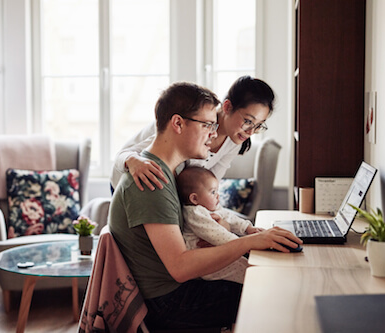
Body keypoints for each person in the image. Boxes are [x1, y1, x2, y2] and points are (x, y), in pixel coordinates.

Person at [108, 81, 302, 330]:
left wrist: (237, 230)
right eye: (208, 125)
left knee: (266, 281)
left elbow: (210, 197)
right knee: (270, 294)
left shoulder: (174, 175)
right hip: (168, 301)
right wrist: (247, 242)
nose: (213, 134)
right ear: (178, 124)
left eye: (214, 125)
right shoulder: (151, 177)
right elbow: (180, 266)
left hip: (172, 288)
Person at [110, 75, 275, 192]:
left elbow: (210, 184)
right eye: (248, 121)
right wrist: (133, 161)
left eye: (259, 125)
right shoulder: (191, 122)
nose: (251, 131)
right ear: (227, 107)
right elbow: (123, 155)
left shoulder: (233, 141)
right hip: (126, 178)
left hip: (162, 186)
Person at [176, 165, 265, 284]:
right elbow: (217, 235)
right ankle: (257, 285)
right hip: (206, 263)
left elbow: (229, 217)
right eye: (213, 192)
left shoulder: (211, 207)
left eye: (217, 191)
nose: (217, 195)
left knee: (250, 264)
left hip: (220, 251)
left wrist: (248, 228)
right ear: (194, 199)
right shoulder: (195, 213)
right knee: (246, 271)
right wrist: (246, 245)